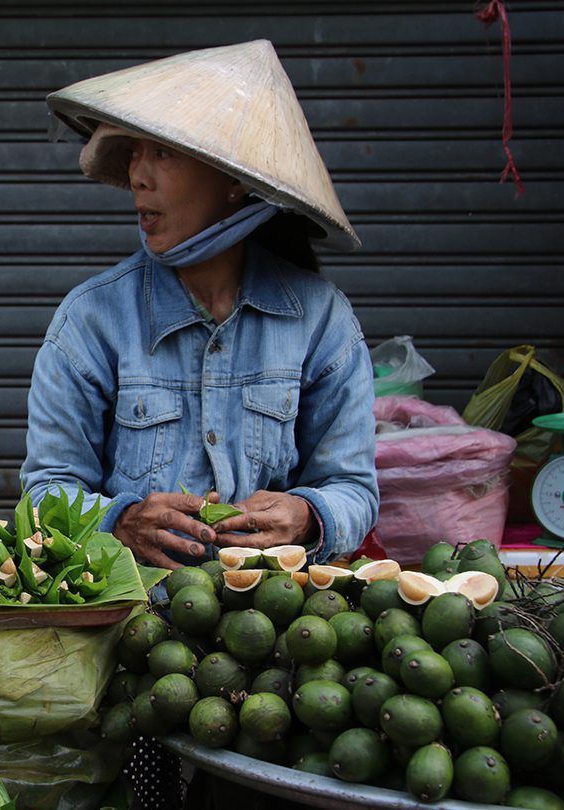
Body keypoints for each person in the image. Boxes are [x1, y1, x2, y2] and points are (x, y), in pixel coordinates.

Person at [21, 40, 379, 572]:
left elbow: (354, 488)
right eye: (134, 153)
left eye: (161, 152)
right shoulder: (92, 320)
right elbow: (45, 493)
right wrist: (120, 521)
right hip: (134, 618)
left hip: (275, 619)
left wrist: (309, 515)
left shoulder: (320, 320)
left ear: (235, 180)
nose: (138, 176)